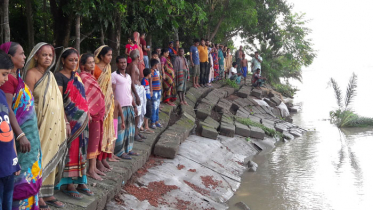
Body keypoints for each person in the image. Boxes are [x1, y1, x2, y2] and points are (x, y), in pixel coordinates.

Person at [24, 43, 66, 209]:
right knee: (40, 156)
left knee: (52, 154)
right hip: (39, 123)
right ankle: (38, 193)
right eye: (44, 55)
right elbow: (26, 102)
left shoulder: (51, 76)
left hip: (55, 125)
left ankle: (48, 193)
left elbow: (58, 102)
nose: (48, 58)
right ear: (36, 56)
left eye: (50, 55)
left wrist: (65, 121)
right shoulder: (31, 74)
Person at [0, 42, 41, 210]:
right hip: (13, 142)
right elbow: (7, 113)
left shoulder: (14, 79)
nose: (25, 57)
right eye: (21, 53)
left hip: (14, 147)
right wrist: (20, 135)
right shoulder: (8, 82)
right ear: (9, 57)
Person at [54, 48, 92, 199]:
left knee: (82, 150)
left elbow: (82, 97)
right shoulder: (58, 77)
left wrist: (87, 113)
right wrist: (65, 121)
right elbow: (59, 102)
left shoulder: (77, 76)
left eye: (76, 60)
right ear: (63, 60)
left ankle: (81, 182)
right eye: (71, 60)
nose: (74, 62)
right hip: (70, 120)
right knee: (71, 151)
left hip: (83, 120)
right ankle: (68, 184)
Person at [79, 53, 106, 181]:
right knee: (92, 141)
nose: (92, 64)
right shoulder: (83, 77)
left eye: (92, 62)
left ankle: (94, 167)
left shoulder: (91, 76)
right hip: (92, 114)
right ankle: (90, 169)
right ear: (83, 65)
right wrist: (90, 110)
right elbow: (85, 96)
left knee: (97, 139)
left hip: (98, 114)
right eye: (89, 62)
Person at [0, 50, 21, 210]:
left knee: (8, 202)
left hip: (8, 162)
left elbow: (7, 125)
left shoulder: (1, 94)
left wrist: (14, 160)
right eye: (3, 74)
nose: (6, 79)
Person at [93, 46, 116, 173]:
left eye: (111, 55)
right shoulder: (95, 68)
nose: (110, 58)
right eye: (108, 55)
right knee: (98, 133)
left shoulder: (108, 68)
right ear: (101, 56)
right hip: (97, 104)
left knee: (106, 131)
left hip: (108, 105)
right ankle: (96, 160)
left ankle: (103, 158)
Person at [113, 55, 140, 159]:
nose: (123, 64)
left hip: (129, 105)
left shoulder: (128, 76)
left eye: (124, 62)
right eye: (121, 62)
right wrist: (116, 106)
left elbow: (129, 92)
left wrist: (134, 105)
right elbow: (113, 91)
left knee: (130, 129)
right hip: (120, 107)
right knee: (121, 129)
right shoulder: (114, 75)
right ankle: (120, 152)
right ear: (117, 64)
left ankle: (128, 149)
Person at [125, 50, 145, 142]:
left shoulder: (133, 65)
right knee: (137, 112)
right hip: (135, 89)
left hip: (137, 89)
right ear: (138, 57)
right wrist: (136, 95)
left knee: (139, 112)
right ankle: (135, 133)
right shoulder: (133, 66)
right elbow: (132, 81)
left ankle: (136, 131)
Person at [149, 59, 162, 129]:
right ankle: (152, 122)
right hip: (154, 91)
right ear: (155, 65)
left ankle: (156, 121)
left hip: (158, 90)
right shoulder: (152, 72)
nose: (158, 65)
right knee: (154, 107)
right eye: (157, 64)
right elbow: (150, 81)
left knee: (157, 106)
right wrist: (151, 90)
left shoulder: (156, 71)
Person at [141, 68, 154, 133]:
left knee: (147, 112)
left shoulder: (146, 80)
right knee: (147, 112)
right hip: (146, 98)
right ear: (148, 74)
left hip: (148, 98)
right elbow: (142, 89)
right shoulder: (144, 80)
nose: (151, 74)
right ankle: (142, 125)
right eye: (150, 73)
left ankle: (146, 126)